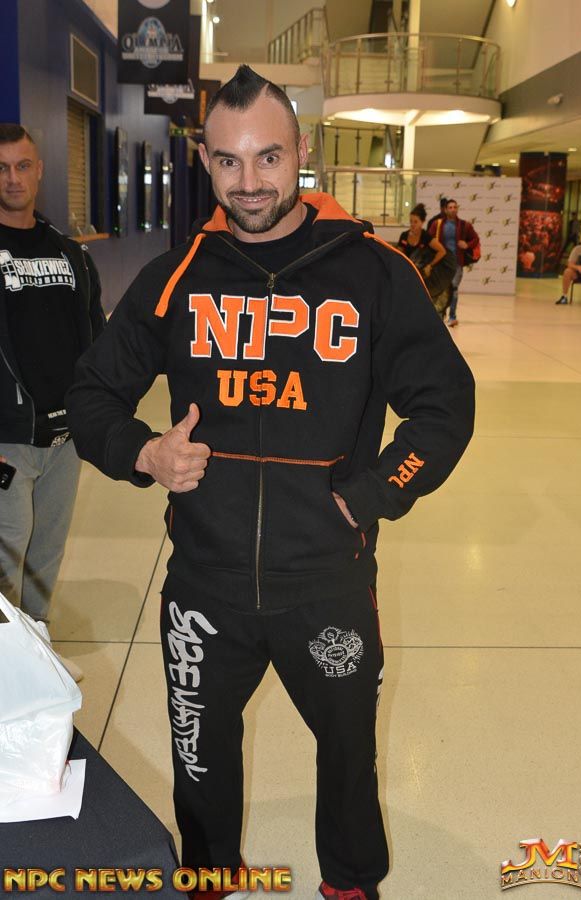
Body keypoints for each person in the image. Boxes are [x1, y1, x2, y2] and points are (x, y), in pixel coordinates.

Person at [66, 65, 475, 900]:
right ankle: (210, 875)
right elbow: (91, 393)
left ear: (300, 150)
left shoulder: (373, 273)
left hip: (327, 583)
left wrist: (371, 494)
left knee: (349, 755)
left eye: (268, 157)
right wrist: (144, 454)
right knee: (199, 758)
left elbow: (445, 406)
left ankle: (351, 882)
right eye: (228, 160)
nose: (248, 181)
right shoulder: (178, 275)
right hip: (203, 584)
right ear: (205, 161)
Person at [0, 124, 105, 680]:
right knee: (5, 558)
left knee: (44, 557)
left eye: (22, 166)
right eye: (1, 168)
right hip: (7, 439)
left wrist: (99, 412)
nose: (12, 178)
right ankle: (7, 670)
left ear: (39, 170)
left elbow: (95, 337)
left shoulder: (71, 254)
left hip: (65, 438)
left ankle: (36, 659)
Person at [428, 198, 479, 327]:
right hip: (442, 264)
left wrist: (467, 244)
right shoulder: (437, 224)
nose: (453, 209)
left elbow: (475, 239)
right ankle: (440, 315)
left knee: (454, 289)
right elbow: (428, 239)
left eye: (455, 207)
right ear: (445, 210)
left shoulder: (464, 225)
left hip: (457, 263)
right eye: (450, 207)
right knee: (441, 289)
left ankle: (452, 317)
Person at [397, 202, 454, 317]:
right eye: (411, 221)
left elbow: (442, 251)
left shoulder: (426, 236)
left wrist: (430, 266)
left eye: (415, 222)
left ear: (422, 222)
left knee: (421, 303)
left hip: (422, 277)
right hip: (407, 275)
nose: (412, 224)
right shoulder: (404, 235)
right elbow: (398, 255)